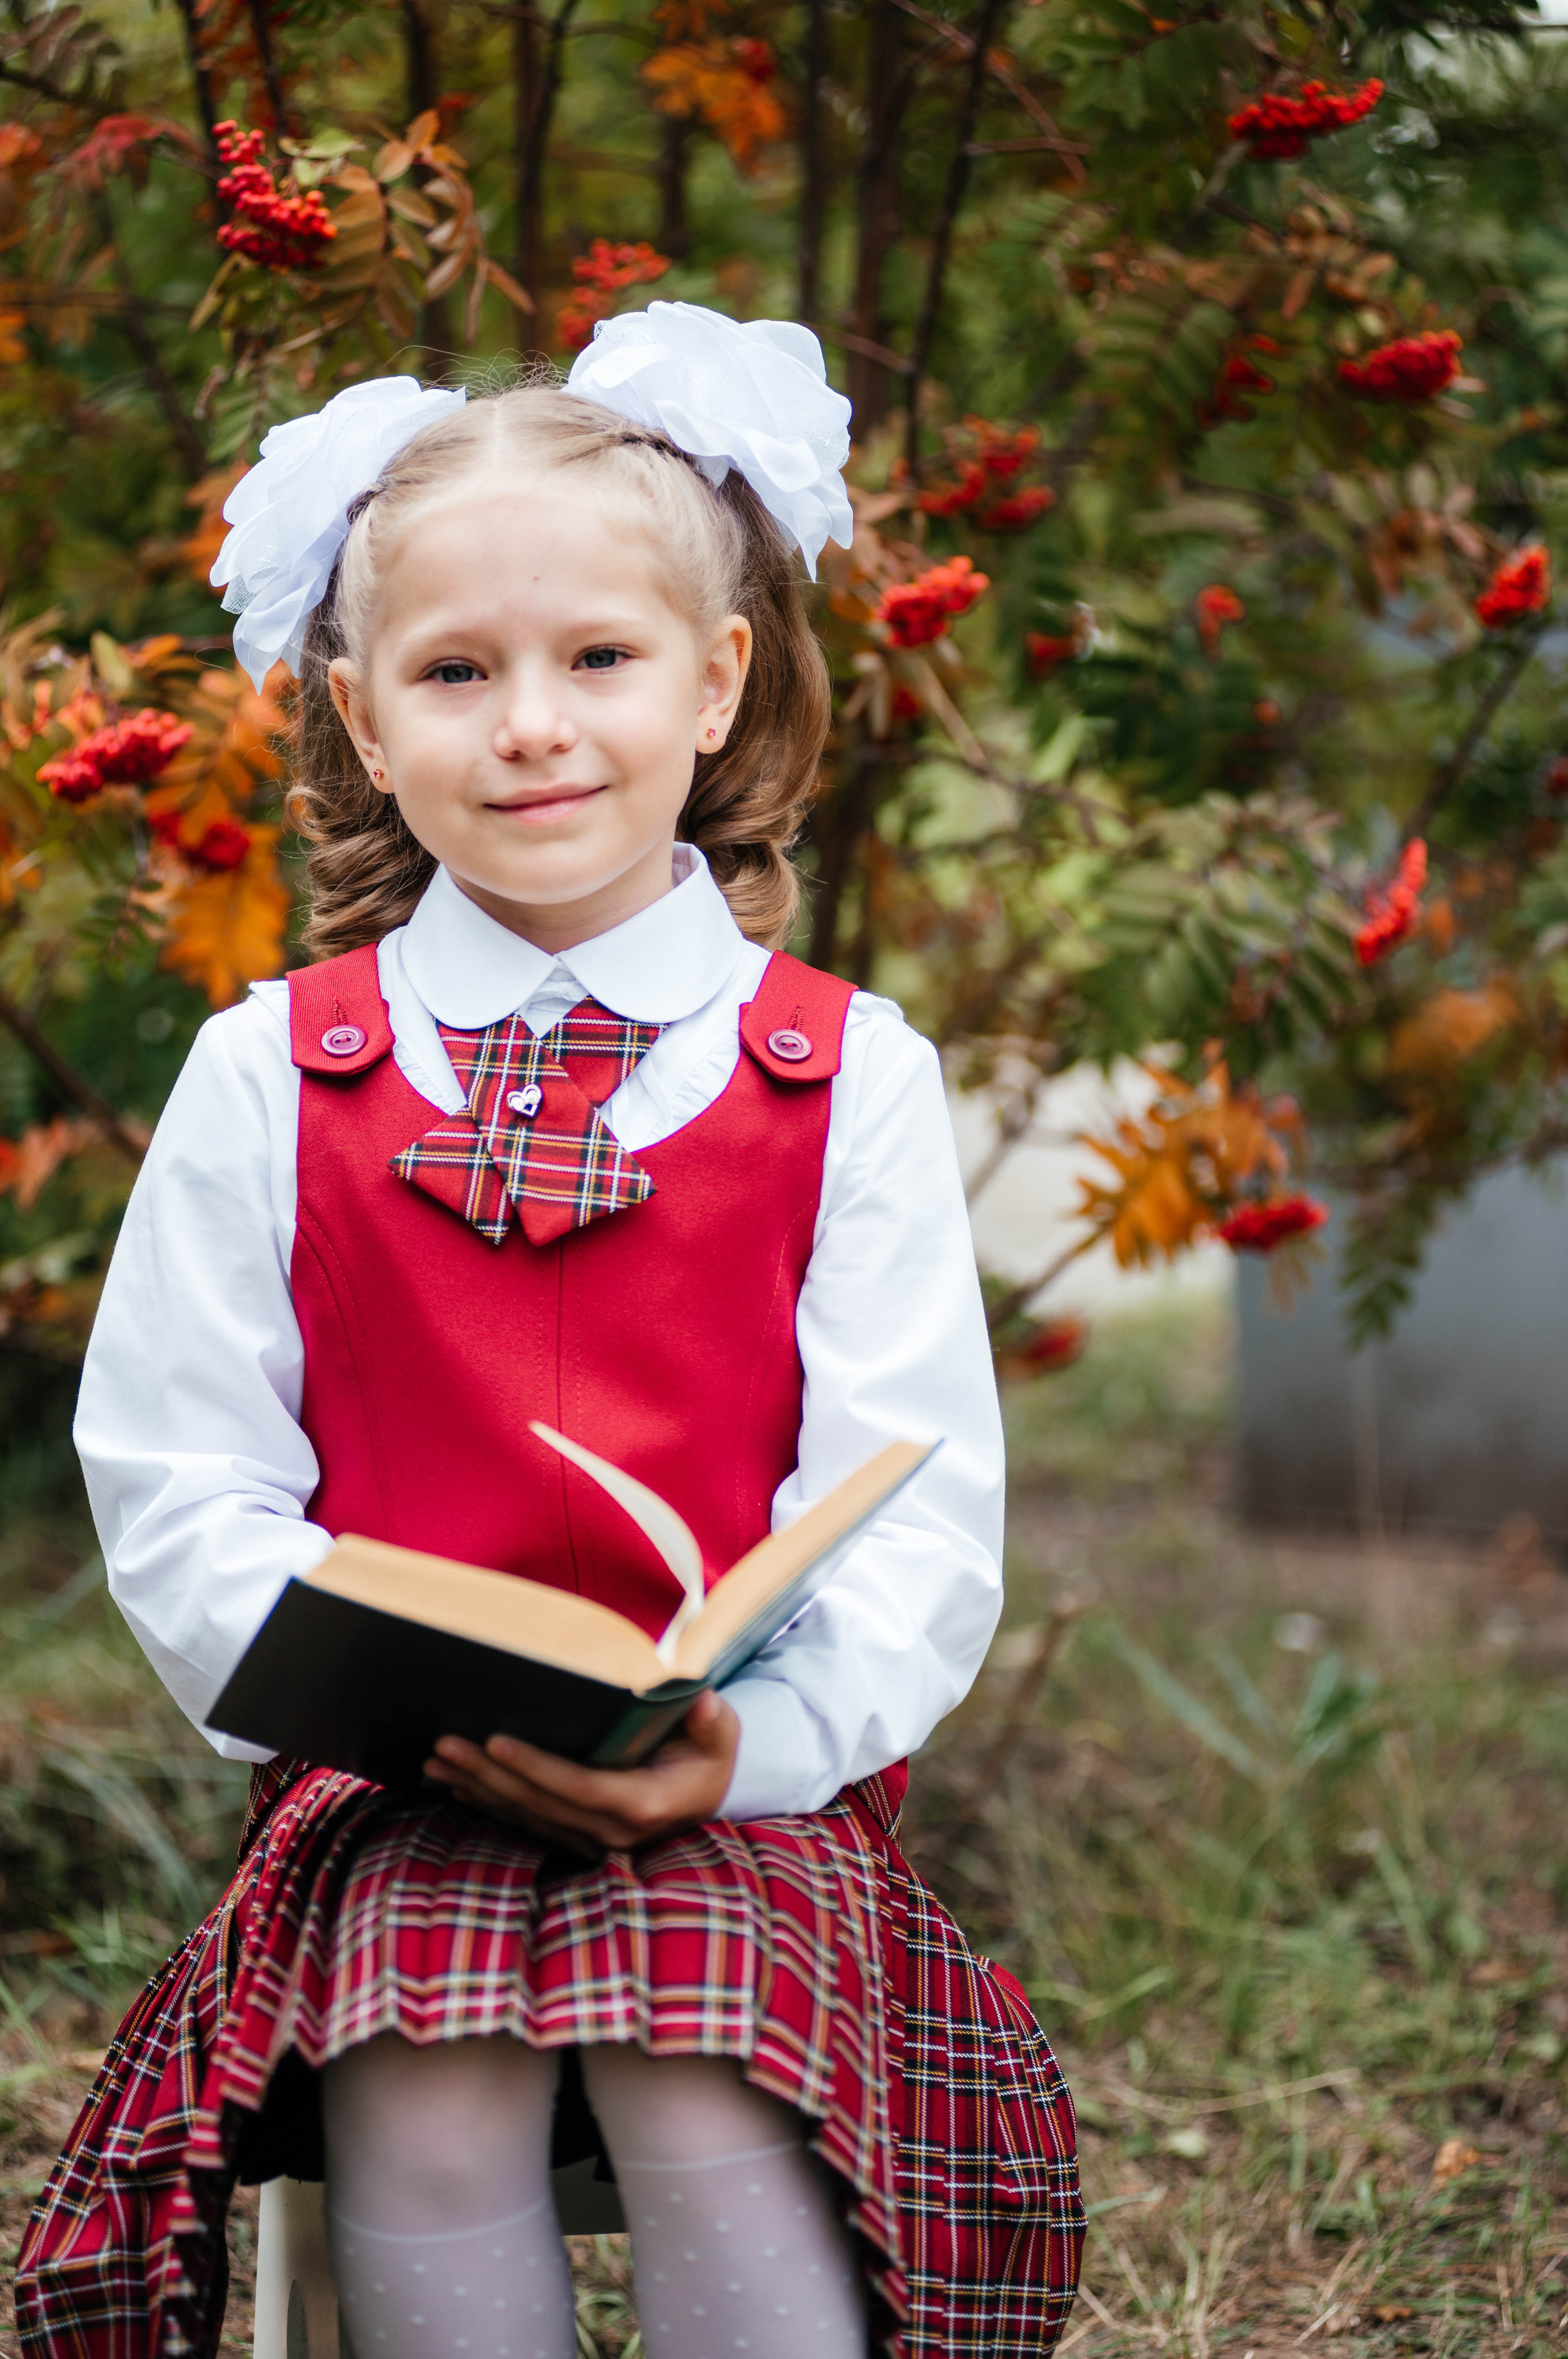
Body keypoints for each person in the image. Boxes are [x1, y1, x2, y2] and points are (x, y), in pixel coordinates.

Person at [17, 304, 1083, 2359]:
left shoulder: (841, 1072)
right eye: (454, 672)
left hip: (745, 1785)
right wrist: (341, 1697)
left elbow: (915, 1507)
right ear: (359, 714)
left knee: (700, 2063)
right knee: (425, 2070)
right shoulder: (275, 1073)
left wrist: (755, 1746)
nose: (531, 726)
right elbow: (177, 1471)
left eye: (598, 657)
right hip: (392, 1785)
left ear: (717, 679)